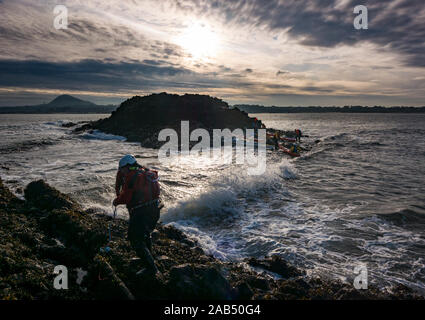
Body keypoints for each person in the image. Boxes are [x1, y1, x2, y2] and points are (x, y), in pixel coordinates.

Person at [113, 154, 162, 277]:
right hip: (154, 209)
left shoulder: (131, 176)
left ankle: (151, 268)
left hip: (142, 212)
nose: (121, 172)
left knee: (134, 239)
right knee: (145, 234)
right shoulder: (146, 172)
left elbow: (126, 197)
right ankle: (148, 258)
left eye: (122, 169)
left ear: (128, 167)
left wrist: (116, 201)